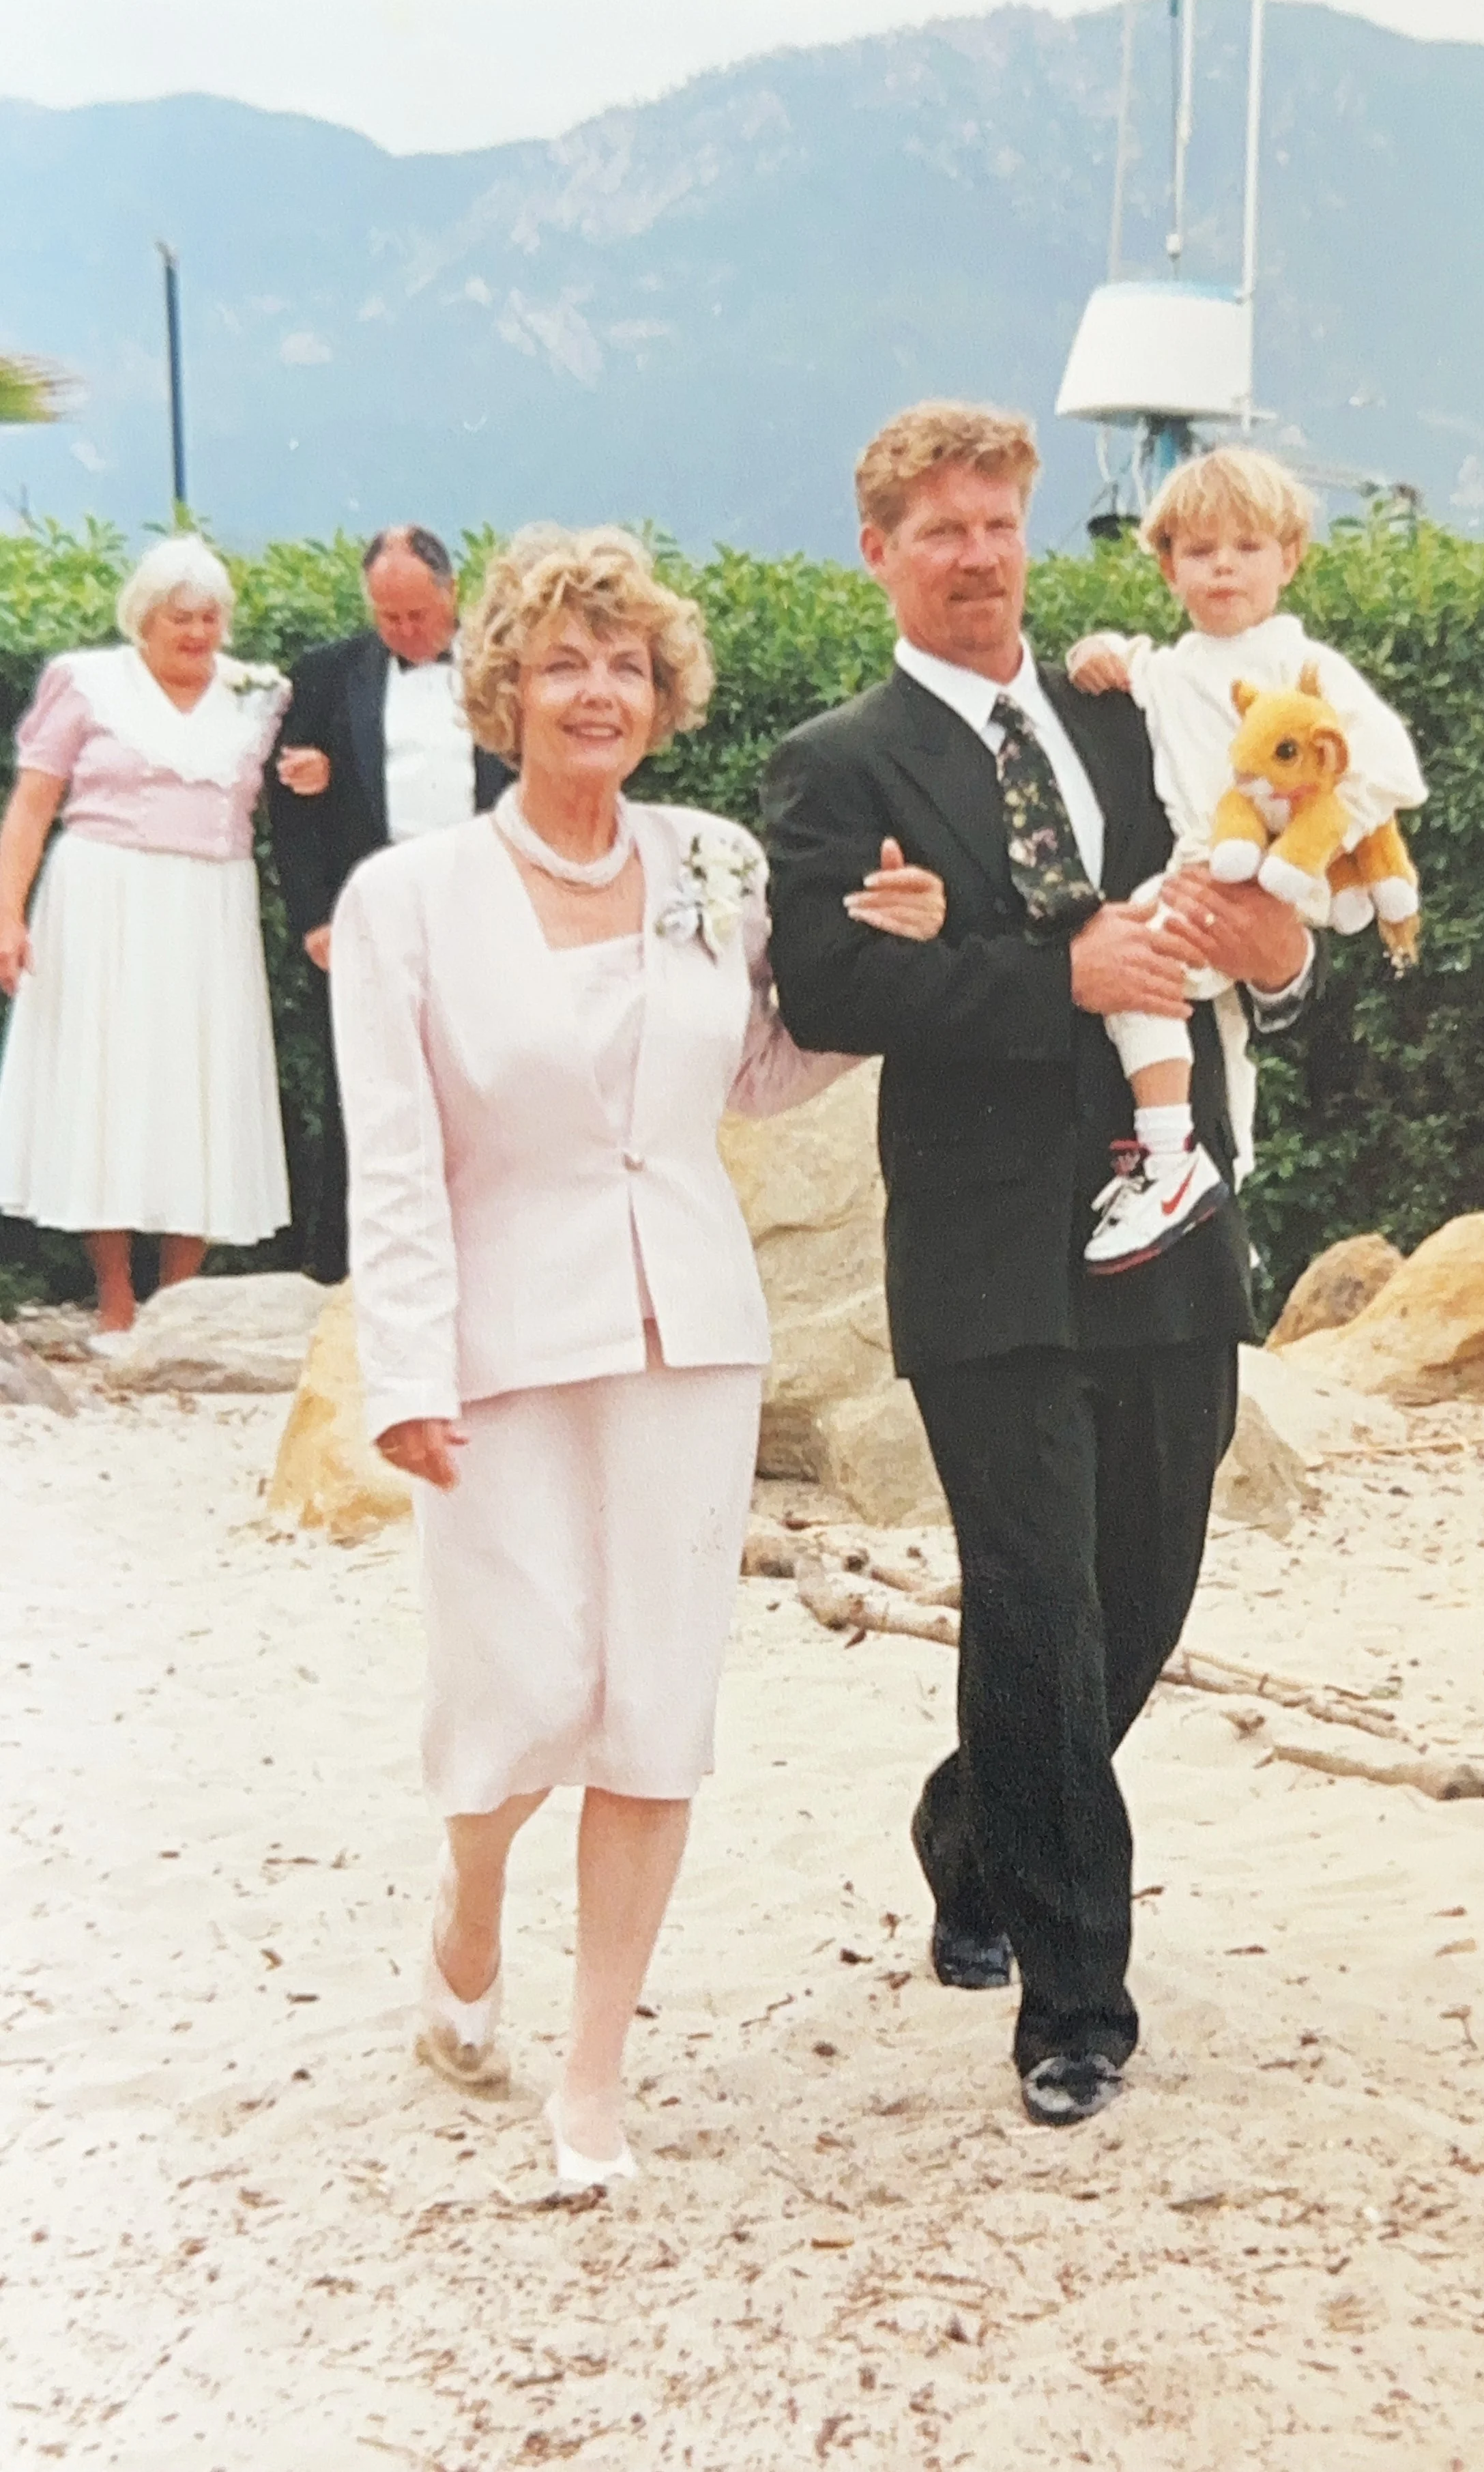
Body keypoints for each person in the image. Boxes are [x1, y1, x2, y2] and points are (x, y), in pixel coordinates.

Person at [330, 523, 946, 2194]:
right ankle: (467, 1914)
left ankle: (593, 2072)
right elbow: (392, 1158)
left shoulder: (716, 865)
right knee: (521, 1686)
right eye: (559, 661)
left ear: (661, 692)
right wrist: (404, 1370)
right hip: (500, 1343)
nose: (595, 690)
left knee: (653, 1703)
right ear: (503, 689)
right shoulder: (404, 899)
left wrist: (880, 960)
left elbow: (756, 1069)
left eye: (624, 663)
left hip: (690, 1330)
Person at [762, 401, 1319, 2129]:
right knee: (1038, 1604)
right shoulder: (836, 762)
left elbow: (1256, 881)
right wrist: (1044, 980)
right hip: (988, 1243)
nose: (981, 556)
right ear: (880, 553)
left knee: (1142, 1595)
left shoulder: (1127, 704)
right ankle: (1076, 2000)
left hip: (1168, 1214)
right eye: (942, 530)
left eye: (1000, 523)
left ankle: (967, 1823)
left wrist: (1285, 952)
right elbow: (829, 988)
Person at [1066, 446, 1427, 1272]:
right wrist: (1097, 652)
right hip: (1201, 870)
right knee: (1147, 976)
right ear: (1166, 568)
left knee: (1141, 970)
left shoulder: (1305, 669)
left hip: (1268, 880)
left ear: (1289, 557)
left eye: (1247, 547)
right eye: (1198, 551)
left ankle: (1171, 1160)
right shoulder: (1167, 669)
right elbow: (1124, 668)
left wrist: (1295, 855)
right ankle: (1189, 1168)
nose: (1223, 566)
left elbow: (1386, 769)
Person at [0, 537, 322, 1340]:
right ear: (144, 617)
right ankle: (113, 1298)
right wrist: (7, 914)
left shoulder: (263, 696)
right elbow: (33, 805)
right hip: (101, 903)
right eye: (181, 616)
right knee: (104, 1090)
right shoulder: (86, 683)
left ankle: (177, 1305)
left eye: (211, 616)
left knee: (199, 1092)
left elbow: (312, 786)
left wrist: (316, 770)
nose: (198, 632)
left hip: (208, 908)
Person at [265, 524, 513, 1283]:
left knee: (487, 1071)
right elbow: (291, 805)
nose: (407, 631)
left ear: (453, 594)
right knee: (370, 1080)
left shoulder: (506, 668)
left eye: (419, 615)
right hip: (373, 904)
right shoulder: (329, 676)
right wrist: (314, 916)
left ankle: (488, 1251)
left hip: (482, 899)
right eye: (389, 617)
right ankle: (345, 1265)